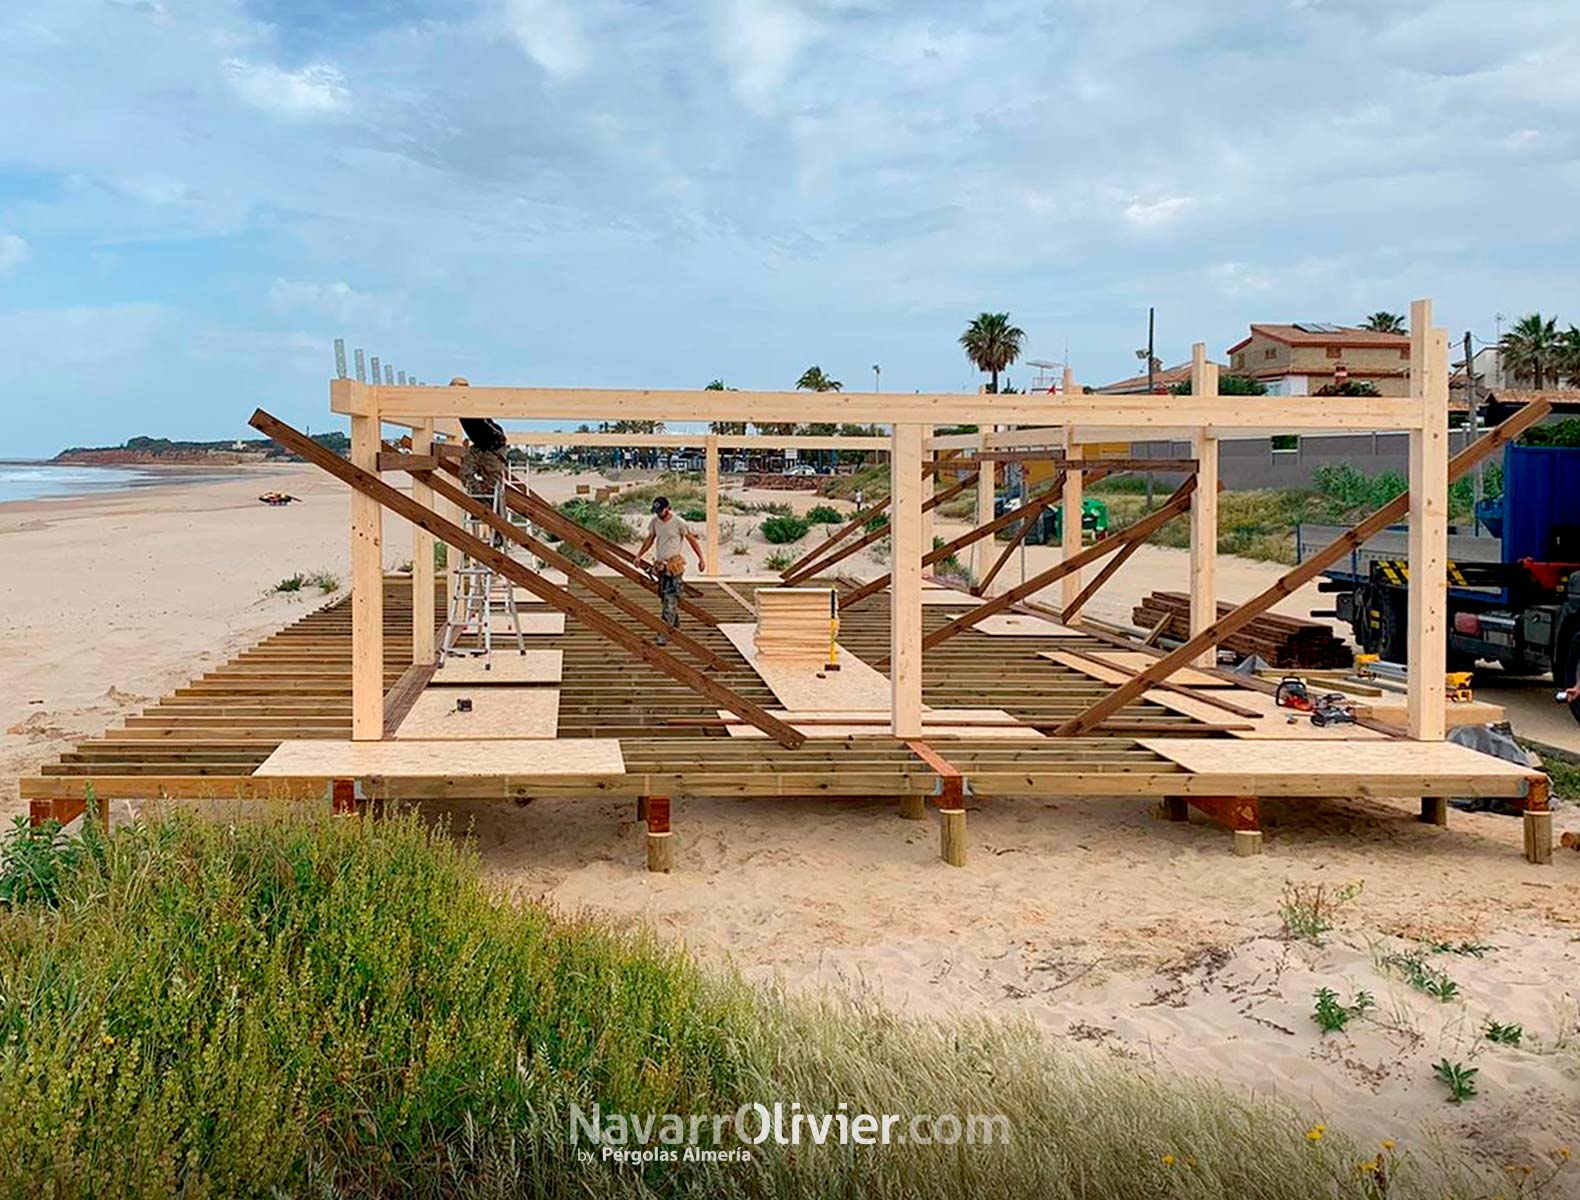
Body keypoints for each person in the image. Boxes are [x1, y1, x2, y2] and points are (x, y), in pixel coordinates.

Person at [636, 496, 706, 643]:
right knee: (664, 597)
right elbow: (650, 538)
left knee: (670, 598)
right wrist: (639, 555)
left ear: (668, 508)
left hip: (674, 566)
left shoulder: (679, 523)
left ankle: (665, 632)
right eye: (656, 511)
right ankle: (674, 624)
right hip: (661, 566)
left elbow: (692, 540)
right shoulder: (655, 522)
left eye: (661, 510)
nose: (658, 514)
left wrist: (701, 559)